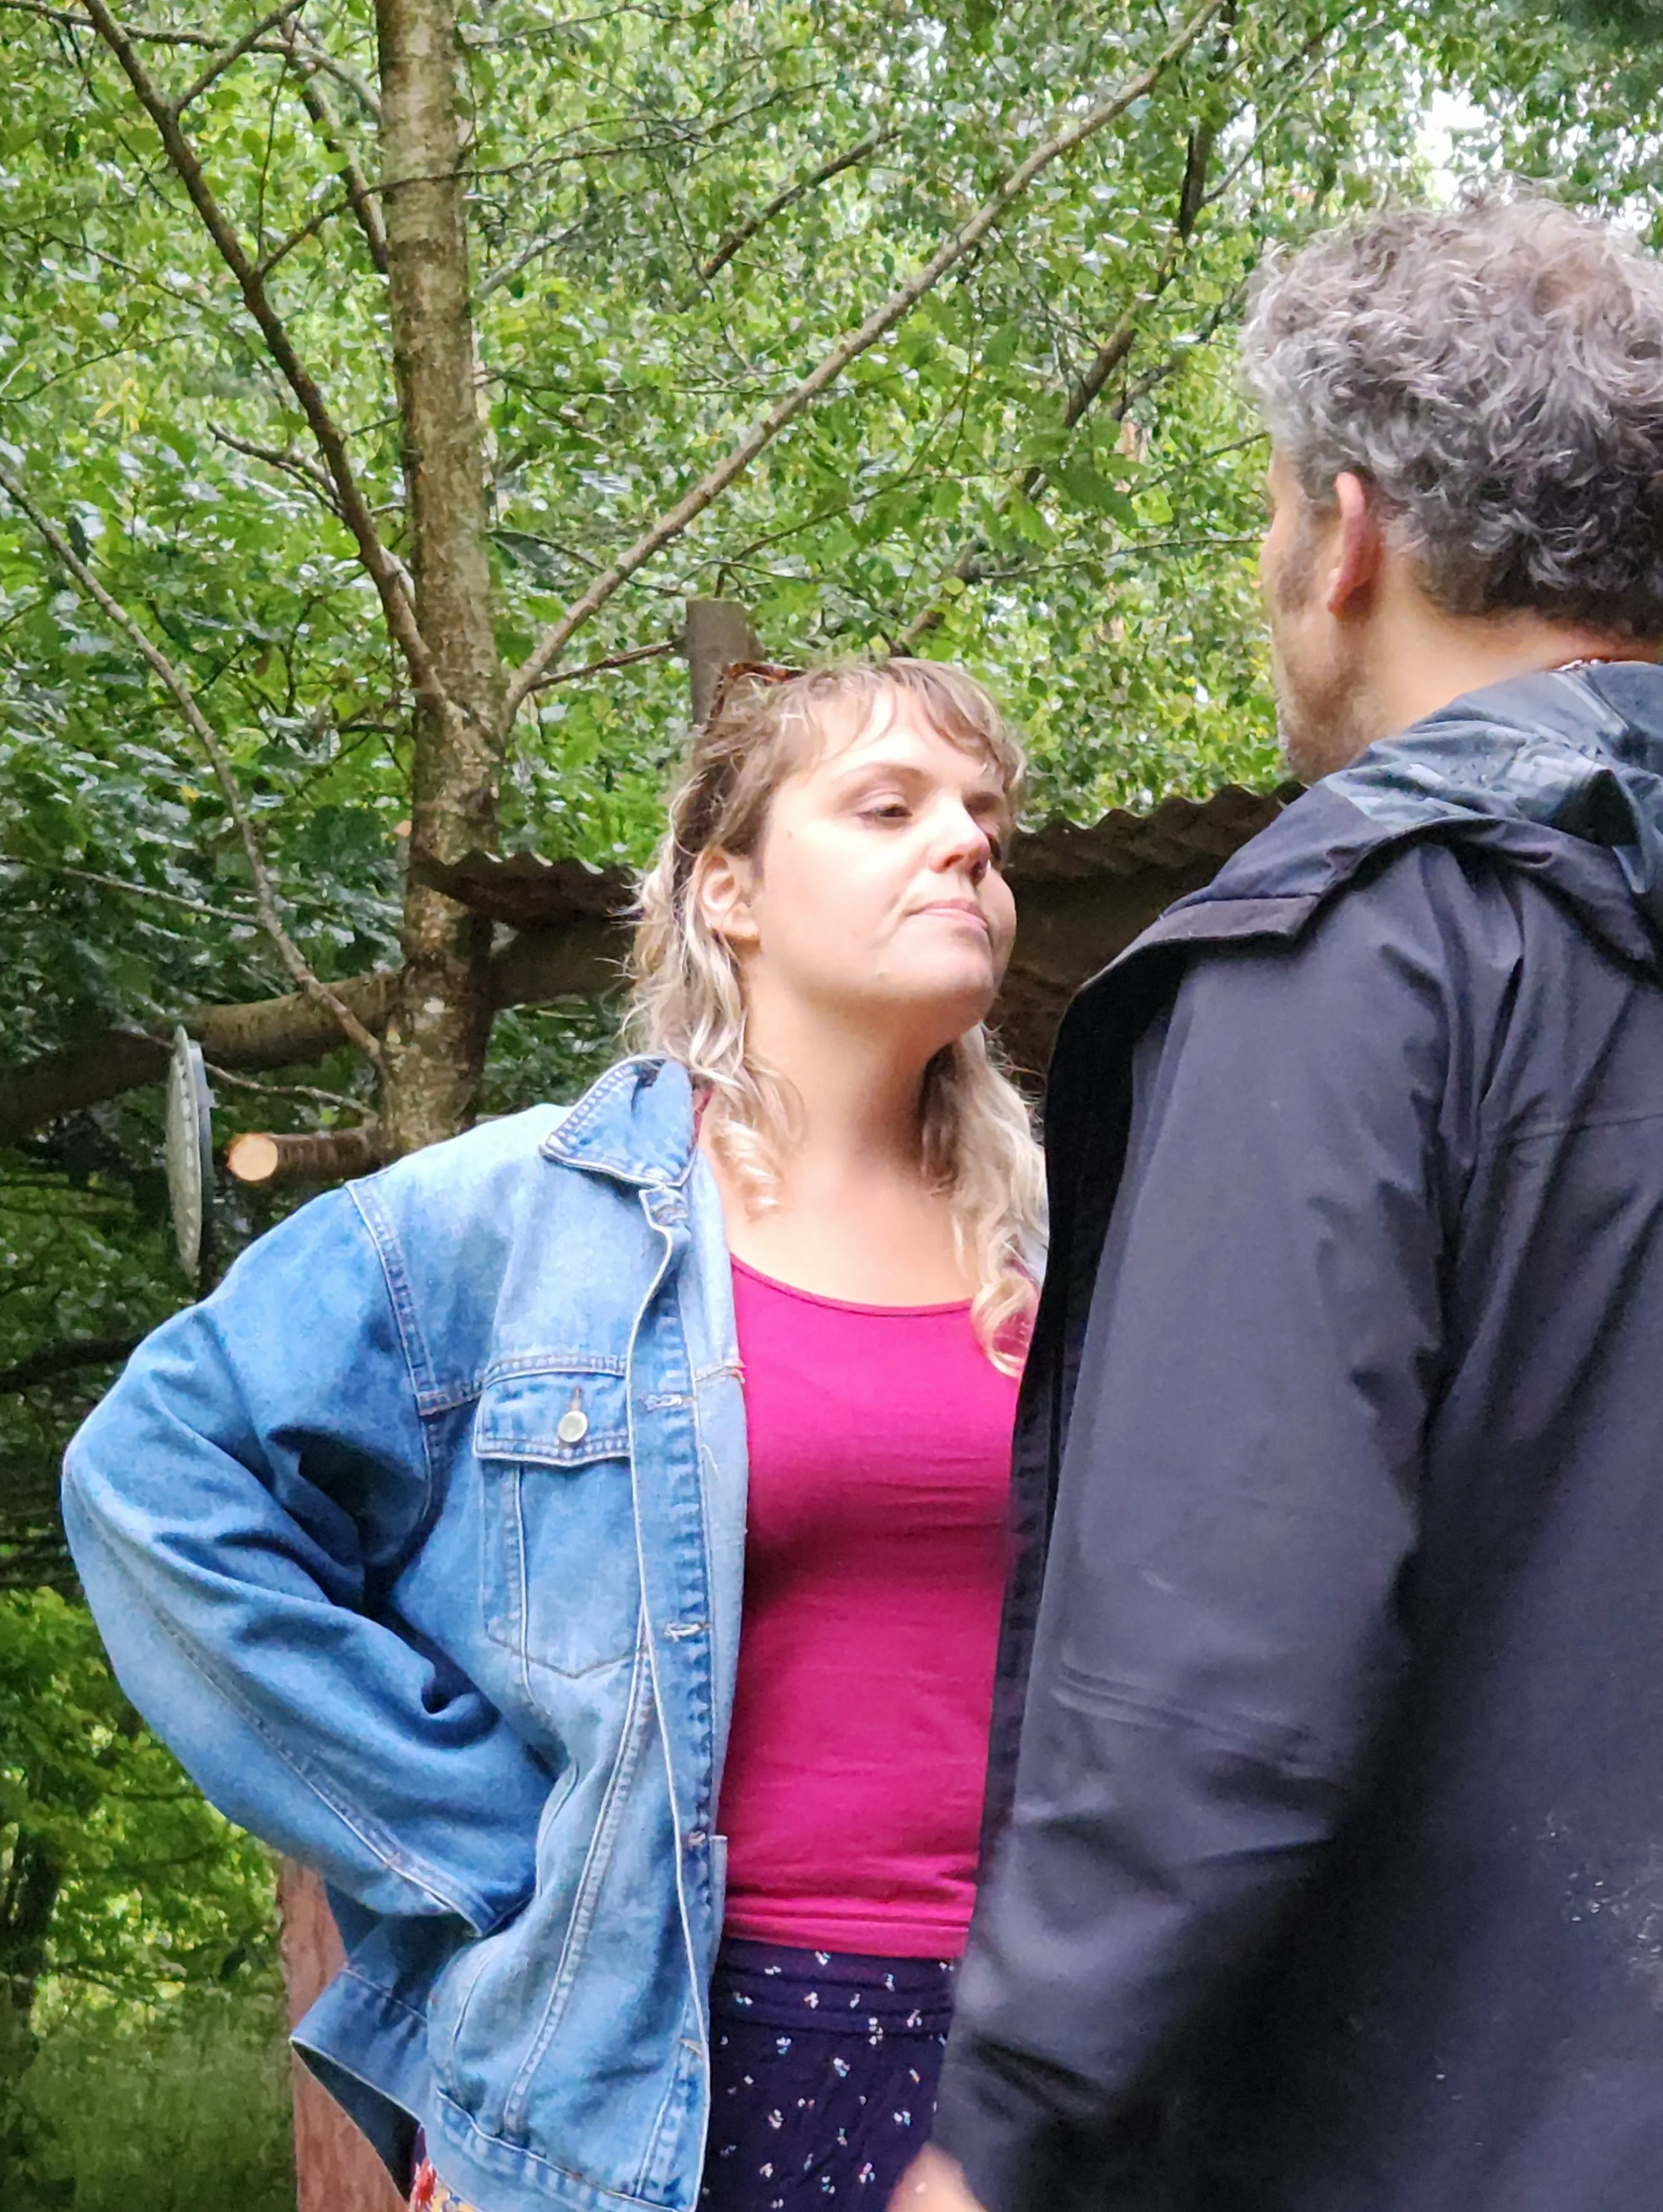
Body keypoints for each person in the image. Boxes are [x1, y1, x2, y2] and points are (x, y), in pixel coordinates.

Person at [899, 193, 1663, 2212]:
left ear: (1346, 533)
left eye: (1271, 515)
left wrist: (994, 2139)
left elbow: (1207, 1686)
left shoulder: (1343, 959)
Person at [60, 657, 1044, 2212]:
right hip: (640, 2061)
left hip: (1018, 2069)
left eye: (988, 820)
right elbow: (152, 1485)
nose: (968, 846)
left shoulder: (1066, 1259)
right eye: (890, 807)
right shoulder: (519, 1220)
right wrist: (512, 1869)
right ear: (729, 890)